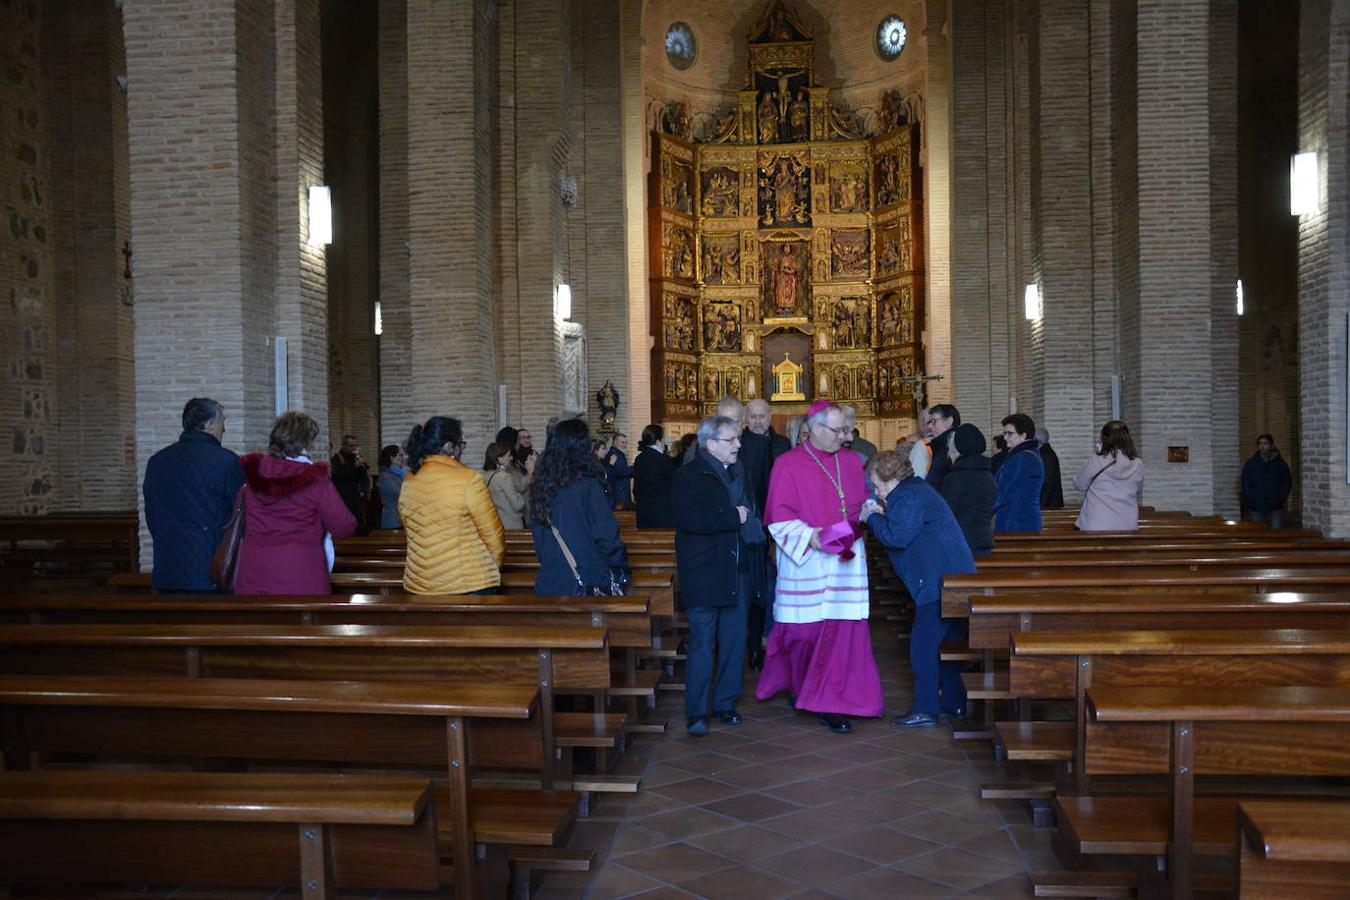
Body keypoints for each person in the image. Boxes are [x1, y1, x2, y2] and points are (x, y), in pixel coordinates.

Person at [756, 401, 884, 734]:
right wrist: (814, 539)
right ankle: (802, 686)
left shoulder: (852, 462)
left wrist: (866, 516)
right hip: (806, 563)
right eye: (839, 430)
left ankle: (833, 701)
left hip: (845, 564)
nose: (845, 436)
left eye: (847, 430)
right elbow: (778, 516)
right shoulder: (787, 464)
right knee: (803, 632)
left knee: (842, 632)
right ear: (813, 428)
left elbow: (858, 506)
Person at [862, 450, 976, 727]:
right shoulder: (914, 490)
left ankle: (926, 709)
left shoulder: (907, 495)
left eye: (876, 484)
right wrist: (883, 512)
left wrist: (870, 517)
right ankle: (954, 703)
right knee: (947, 646)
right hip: (955, 579)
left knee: (922, 647)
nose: (875, 489)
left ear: (889, 479)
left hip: (939, 583)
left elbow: (897, 536)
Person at [672, 415, 766, 735]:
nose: (738, 445)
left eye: (738, 439)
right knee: (702, 643)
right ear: (710, 444)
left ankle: (725, 702)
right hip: (704, 571)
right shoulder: (688, 475)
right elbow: (689, 519)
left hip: (737, 568)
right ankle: (697, 712)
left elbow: (751, 510)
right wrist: (732, 517)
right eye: (731, 440)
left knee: (734, 641)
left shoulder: (739, 471)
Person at [234, 412, 357, 595]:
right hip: (300, 575)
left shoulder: (252, 477)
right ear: (305, 444)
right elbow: (344, 526)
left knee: (256, 623)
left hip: (254, 574)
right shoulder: (315, 479)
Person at [143, 397, 246, 592]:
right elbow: (240, 516)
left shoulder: (157, 461)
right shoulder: (227, 462)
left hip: (167, 570)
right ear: (208, 423)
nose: (224, 428)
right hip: (211, 570)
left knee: (171, 622)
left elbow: (152, 516)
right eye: (222, 421)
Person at [399, 416, 505, 595]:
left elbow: (411, 528)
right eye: (460, 444)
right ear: (449, 447)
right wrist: (489, 567)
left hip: (420, 584)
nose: (461, 450)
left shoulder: (409, 482)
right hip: (469, 584)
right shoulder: (469, 480)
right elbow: (493, 537)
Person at [529, 418, 629, 595]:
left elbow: (539, 539)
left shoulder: (541, 485)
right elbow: (607, 536)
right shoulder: (587, 485)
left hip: (551, 580)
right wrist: (620, 568)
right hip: (587, 579)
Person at [740, 398, 789, 670]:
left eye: (762, 416)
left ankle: (775, 641)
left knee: (776, 587)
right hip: (751, 526)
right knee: (755, 588)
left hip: (779, 527)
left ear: (770, 417)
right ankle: (754, 647)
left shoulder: (782, 444)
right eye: (753, 416)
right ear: (747, 418)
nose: (758, 421)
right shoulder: (740, 445)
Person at [1075, 420, 1145, 531]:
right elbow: (1138, 487)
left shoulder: (1097, 460)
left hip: (1097, 523)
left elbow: (1080, 485)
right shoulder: (1138, 463)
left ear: (1105, 438)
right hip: (1127, 523)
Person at [940, 424, 997, 557]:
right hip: (984, 543)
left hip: (960, 545)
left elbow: (946, 515)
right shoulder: (988, 476)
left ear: (957, 450)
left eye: (949, 448)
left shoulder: (954, 478)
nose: (948, 452)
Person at [995, 413, 1045, 532]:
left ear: (1023, 436)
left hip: (1016, 522)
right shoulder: (1029, 455)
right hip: (1024, 520)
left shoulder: (1022, 458)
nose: (1005, 437)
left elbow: (1006, 491)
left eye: (1010, 433)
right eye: (1004, 433)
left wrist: (983, 510)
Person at [1241, 433, 1293, 529]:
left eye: (1265, 443)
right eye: (1260, 444)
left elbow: (1287, 483)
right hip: (1256, 506)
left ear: (1271, 445)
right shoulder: (1251, 463)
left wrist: (1280, 499)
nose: (1262, 446)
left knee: (1276, 534)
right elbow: (1246, 483)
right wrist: (1251, 499)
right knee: (1257, 534)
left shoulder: (1280, 464)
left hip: (1276, 506)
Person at [633, 424, 678, 528]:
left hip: (643, 512)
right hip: (663, 513)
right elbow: (675, 484)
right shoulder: (664, 460)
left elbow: (636, 487)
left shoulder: (639, 459)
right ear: (658, 441)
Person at [330, 434, 371, 532]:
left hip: (356, 496)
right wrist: (354, 466)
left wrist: (362, 466)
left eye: (355, 445)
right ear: (344, 446)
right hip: (344, 497)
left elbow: (361, 477)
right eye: (351, 445)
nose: (354, 448)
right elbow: (337, 476)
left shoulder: (355, 458)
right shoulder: (337, 458)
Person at [483, 441, 528, 529]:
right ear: (499, 459)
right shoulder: (504, 477)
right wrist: (520, 495)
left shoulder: (484, 476)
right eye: (508, 455)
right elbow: (518, 505)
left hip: (494, 525)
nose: (511, 458)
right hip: (511, 525)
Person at [923, 404, 960, 492]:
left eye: (934, 421)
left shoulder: (952, 447)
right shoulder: (940, 445)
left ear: (949, 421)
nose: (930, 426)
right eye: (929, 422)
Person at [376, 444, 406, 530]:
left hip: (398, 519)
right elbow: (399, 494)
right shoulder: (386, 476)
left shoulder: (397, 475)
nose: (403, 458)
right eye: (400, 455)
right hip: (392, 521)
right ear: (392, 458)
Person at [1036, 426, 1065, 509]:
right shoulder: (1045, 453)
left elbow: (1047, 482)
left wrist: (1039, 506)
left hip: (1048, 505)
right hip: (1048, 503)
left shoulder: (1046, 455)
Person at [604, 432, 633, 507]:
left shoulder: (618, 453)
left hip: (620, 489)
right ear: (615, 442)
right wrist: (634, 467)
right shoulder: (615, 454)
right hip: (619, 491)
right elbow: (619, 472)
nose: (624, 445)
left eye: (625, 443)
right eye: (622, 442)